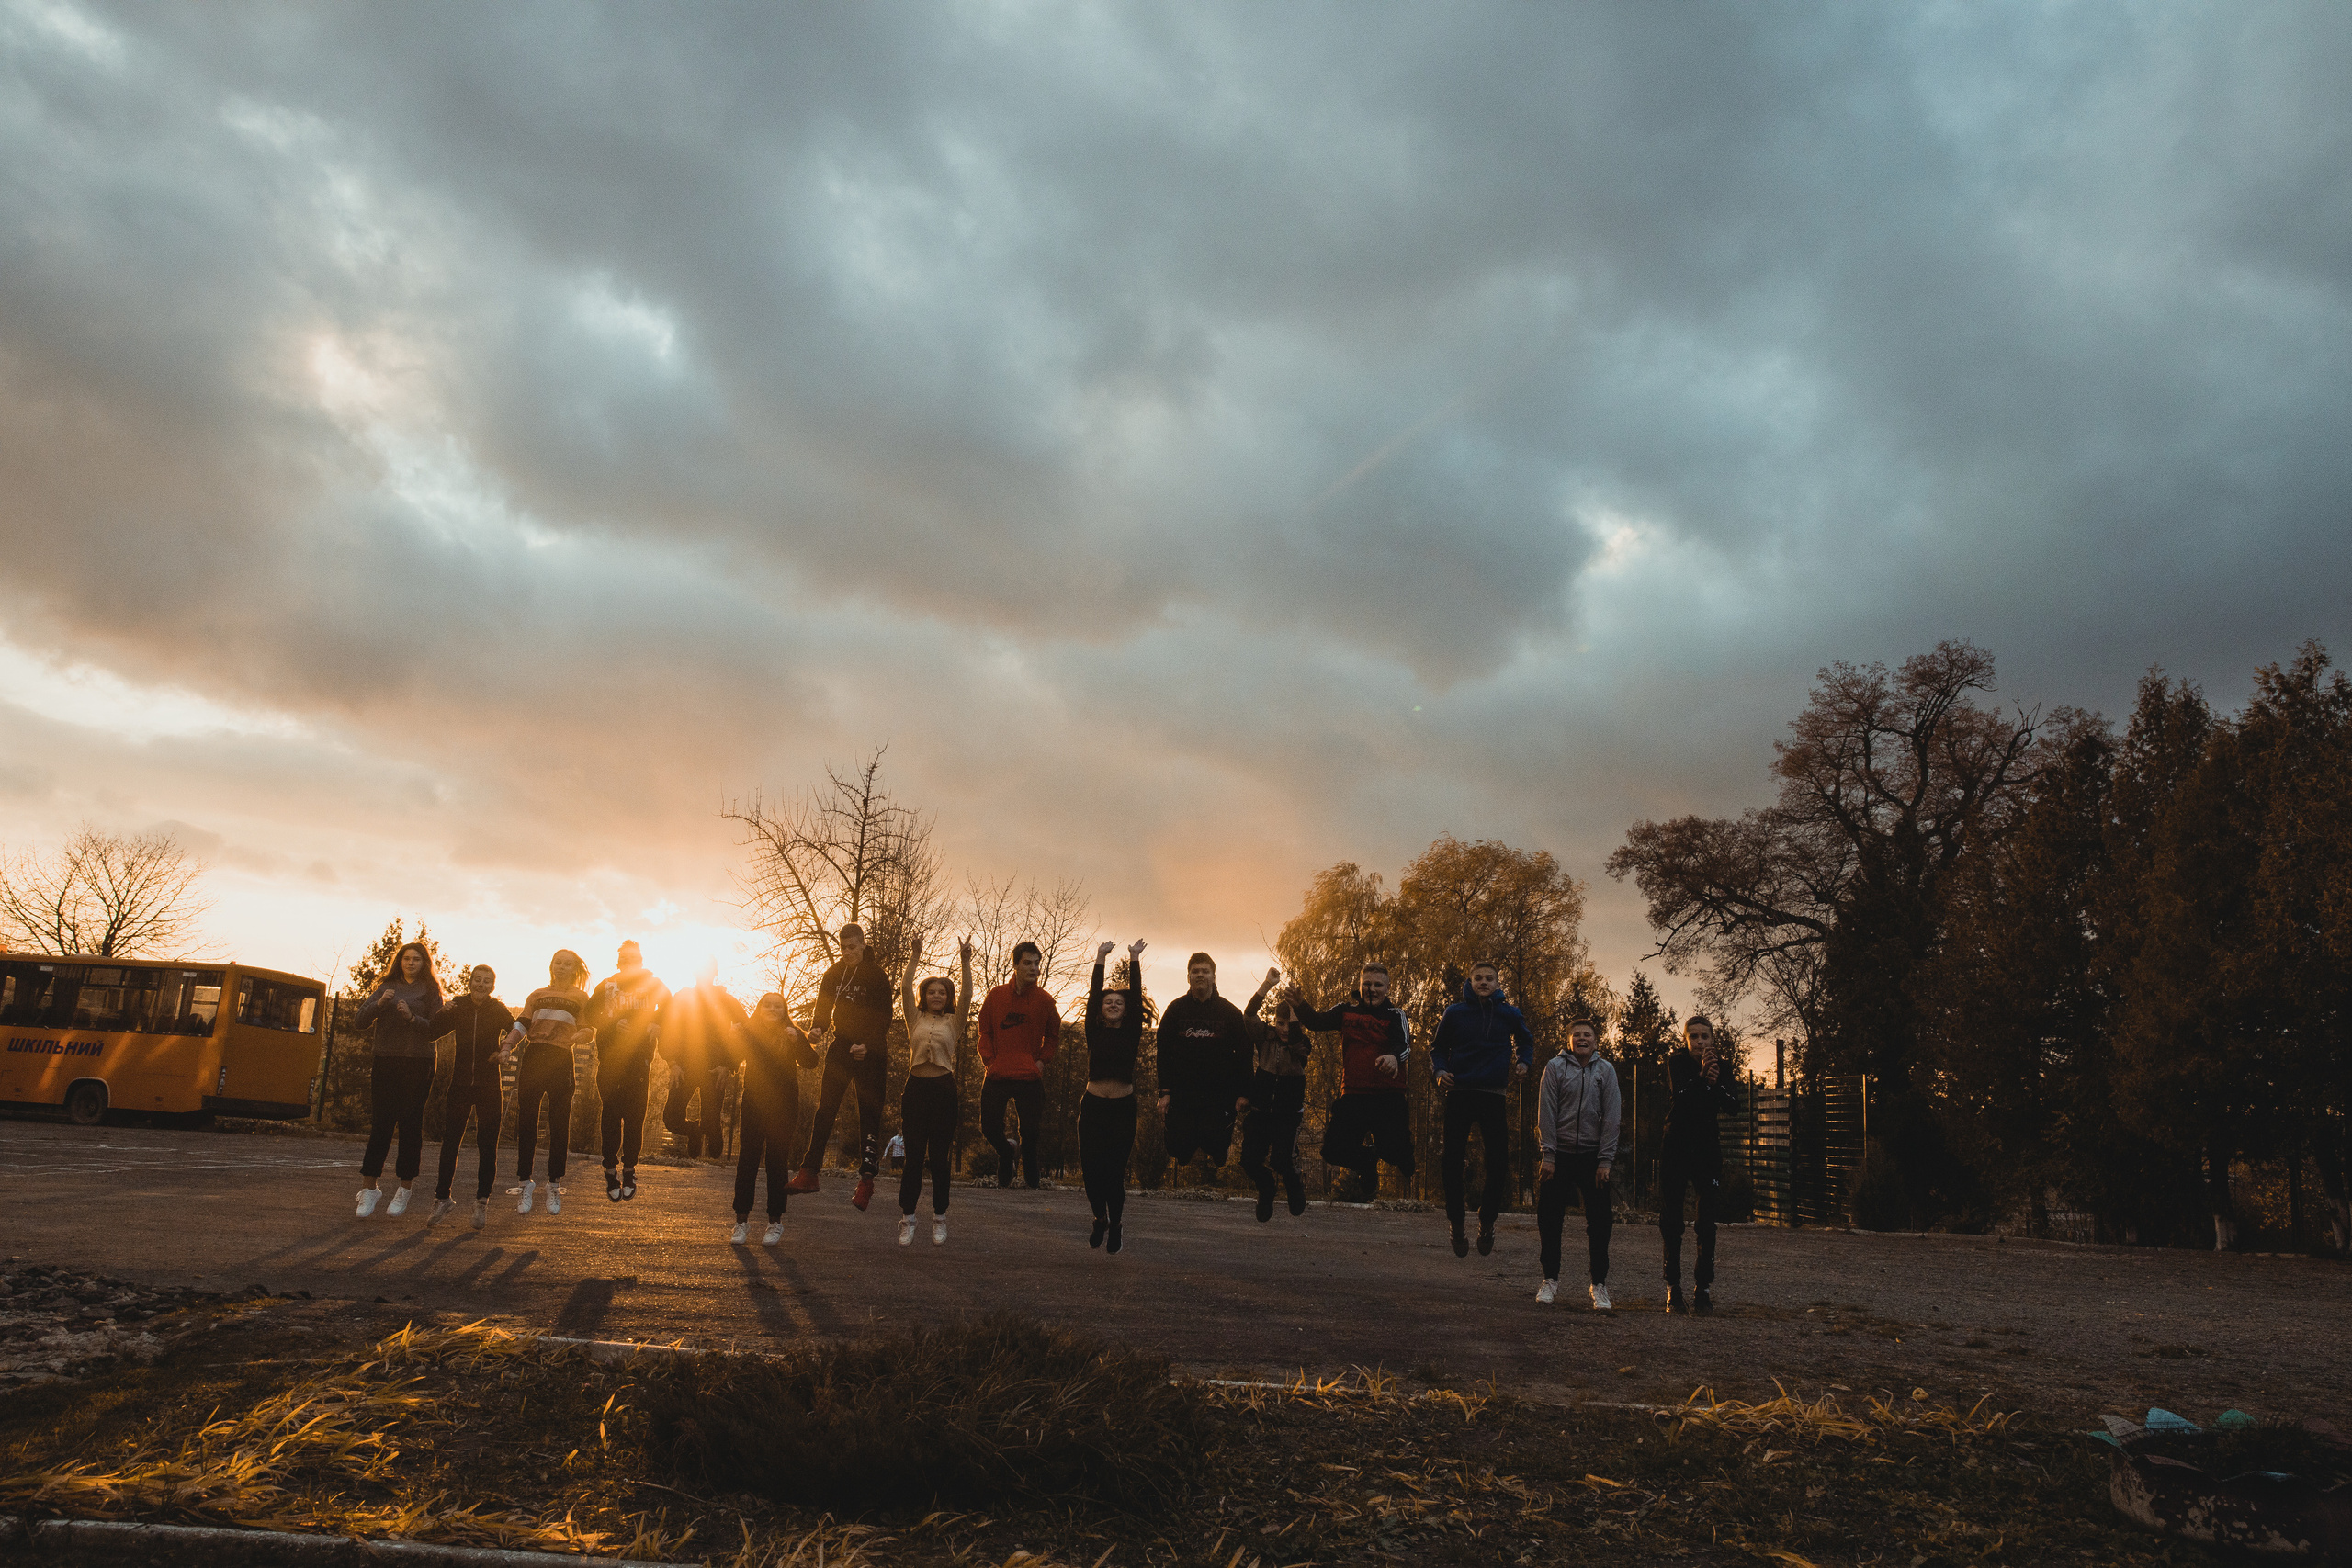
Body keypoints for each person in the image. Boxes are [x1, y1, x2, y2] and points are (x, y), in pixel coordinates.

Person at [1430, 961, 1533, 1258]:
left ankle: (1486, 1222)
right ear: (1470, 981)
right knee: (1451, 1162)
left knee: (1498, 1162)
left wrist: (1524, 1062)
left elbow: (1526, 1040)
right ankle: (1457, 1223)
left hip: (1493, 1094)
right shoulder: (1455, 1013)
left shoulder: (1508, 1013)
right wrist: (1439, 1072)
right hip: (1459, 1093)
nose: (1484, 982)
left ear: (1498, 983)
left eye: (1489, 978)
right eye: (1478, 978)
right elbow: (1437, 1048)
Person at [791, 924, 895, 1210]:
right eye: (843, 948)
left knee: (869, 1114)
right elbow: (823, 1008)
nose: (848, 952)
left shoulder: (877, 975)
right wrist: (817, 1029)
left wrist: (868, 1045)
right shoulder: (834, 973)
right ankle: (809, 1173)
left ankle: (866, 1182)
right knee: (826, 1108)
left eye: (853, 947)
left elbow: (884, 1016)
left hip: (871, 1050)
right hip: (841, 1046)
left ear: (863, 944)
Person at [1292, 964, 1413, 1201]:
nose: (1372, 989)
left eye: (1378, 985)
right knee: (1331, 1150)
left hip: (1388, 1096)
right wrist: (1300, 1005)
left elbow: (1405, 1046)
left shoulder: (1395, 1015)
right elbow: (1316, 1021)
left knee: (1399, 1157)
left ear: (1387, 988)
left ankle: (1397, 1153)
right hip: (1355, 1095)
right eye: (1367, 984)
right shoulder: (1346, 1011)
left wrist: (1393, 1057)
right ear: (1360, 986)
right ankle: (1366, 1161)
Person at [1155, 954, 1273, 1184]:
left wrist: (1243, 1093)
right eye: (1195, 971)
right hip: (1183, 1094)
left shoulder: (1229, 1013)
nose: (1200, 974)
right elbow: (1163, 1053)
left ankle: (1219, 1148)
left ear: (1214, 976)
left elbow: (1244, 1055)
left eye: (1205, 971)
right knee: (1177, 1148)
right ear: (1188, 977)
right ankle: (1187, 1145)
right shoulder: (1175, 1010)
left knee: (1215, 1144)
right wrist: (1165, 1092)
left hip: (1219, 1096)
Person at [353, 942, 445, 1218]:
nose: (410, 963)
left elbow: (437, 1030)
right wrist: (379, 1005)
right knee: (381, 1124)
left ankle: (404, 1189)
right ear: (399, 961)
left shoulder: (430, 991)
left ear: (424, 963)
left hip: (419, 1062)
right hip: (386, 1060)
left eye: (416, 959)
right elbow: (359, 1021)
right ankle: (370, 1189)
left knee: (409, 1124)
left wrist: (411, 1018)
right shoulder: (385, 987)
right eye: (406, 959)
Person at [1659, 1014, 1742, 1314]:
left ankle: (1703, 1289)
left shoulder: (1723, 1066)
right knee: (1672, 1219)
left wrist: (1715, 1081)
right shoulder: (1676, 1062)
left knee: (1706, 1221)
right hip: (1677, 1145)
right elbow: (1678, 1097)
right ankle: (1673, 1288)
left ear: (1712, 1039)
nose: (1699, 1042)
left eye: (1704, 1036)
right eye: (1693, 1037)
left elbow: (1734, 1105)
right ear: (1685, 1040)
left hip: (1707, 1148)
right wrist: (1700, 1078)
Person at [1535, 1018, 1621, 1309]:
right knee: (1549, 1218)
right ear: (1569, 1040)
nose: (1582, 1038)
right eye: (1576, 1035)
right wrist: (1548, 1154)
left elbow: (1612, 1117)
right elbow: (1546, 1111)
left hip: (1592, 1157)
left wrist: (1605, 1160)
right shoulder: (1555, 1068)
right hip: (1558, 1157)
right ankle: (1550, 1280)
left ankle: (1599, 1285)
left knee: (1600, 1223)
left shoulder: (1605, 1071)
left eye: (1587, 1034)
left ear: (1596, 1041)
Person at [897, 933, 972, 1245]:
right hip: (915, 1089)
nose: (937, 995)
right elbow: (903, 987)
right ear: (924, 995)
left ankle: (940, 1217)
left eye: (942, 992)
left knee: (939, 1158)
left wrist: (966, 960)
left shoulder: (955, 1022)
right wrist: (915, 954)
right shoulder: (913, 1018)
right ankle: (908, 1218)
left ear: (947, 996)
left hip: (943, 1090)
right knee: (913, 1157)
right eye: (931, 991)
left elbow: (968, 993)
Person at [426, 965, 512, 1229]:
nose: (481, 985)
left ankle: (481, 1202)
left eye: (487, 981)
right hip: (460, 1083)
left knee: (487, 1145)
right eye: (478, 980)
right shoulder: (458, 1006)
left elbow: (517, 1030)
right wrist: (442, 1013)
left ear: (493, 986)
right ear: (471, 981)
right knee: (451, 1141)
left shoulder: (498, 1009)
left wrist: (504, 1050)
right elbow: (432, 1033)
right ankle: (442, 1198)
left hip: (488, 1085)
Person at [510, 950, 594, 1215]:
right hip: (534, 1056)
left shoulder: (581, 998)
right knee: (527, 1122)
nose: (562, 967)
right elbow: (522, 1023)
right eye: (558, 962)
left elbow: (590, 1030)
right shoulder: (536, 995)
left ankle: (554, 1184)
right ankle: (525, 1182)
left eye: (567, 964)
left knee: (559, 1123)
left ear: (574, 969)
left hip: (561, 1058)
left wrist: (582, 1035)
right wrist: (507, 1045)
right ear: (551, 966)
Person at [1080, 939, 1150, 1251]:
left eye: (1117, 1002)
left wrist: (1133, 959)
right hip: (1093, 1108)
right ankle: (1100, 1219)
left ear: (1125, 1010)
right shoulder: (1093, 1032)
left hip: (1122, 1109)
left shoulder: (1131, 1030)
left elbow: (1136, 999)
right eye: (1108, 1001)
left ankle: (1117, 1225)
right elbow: (1093, 997)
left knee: (1114, 1174)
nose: (1111, 1004)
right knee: (1092, 1173)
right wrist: (1099, 958)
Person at [586, 941, 669, 1201]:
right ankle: (610, 1171)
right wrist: (612, 1023)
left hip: (640, 1061)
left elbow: (671, 1007)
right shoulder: (607, 985)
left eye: (635, 957)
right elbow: (590, 1014)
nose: (630, 961)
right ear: (619, 962)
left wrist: (656, 1023)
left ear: (641, 961)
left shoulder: (654, 985)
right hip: (611, 1060)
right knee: (610, 1116)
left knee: (635, 1118)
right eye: (625, 958)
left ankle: (630, 1169)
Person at [733, 991, 818, 1245]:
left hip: (784, 1105)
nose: (771, 1009)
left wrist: (799, 1042)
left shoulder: (792, 1033)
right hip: (754, 1103)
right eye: (767, 1005)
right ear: (759, 1009)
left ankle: (775, 1222)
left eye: (777, 1006)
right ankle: (741, 1221)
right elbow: (731, 1057)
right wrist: (733, 1036)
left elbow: (811, 1061)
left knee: (777, 1162)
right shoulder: (749, 1032)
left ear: (784, 1011)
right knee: (747, 1159)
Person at [976, 941, 1061, 1190]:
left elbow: (1053, 1036)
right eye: (1027, 963)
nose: (1033, 968)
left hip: (1029, 1076)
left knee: (1031, 1133)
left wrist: (1043, 1060)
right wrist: (990, 1061)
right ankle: (1006, 1152)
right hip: (997, 1073)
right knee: (989, 1127)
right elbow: (985, 1031)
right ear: (1015, 965)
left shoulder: (1045, 1001)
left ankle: (1032, 1184)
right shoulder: (996, 996)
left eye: (1037, 964)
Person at [1238, 991, 1310, 1223]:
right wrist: (1265, 987)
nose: (1285, 1029)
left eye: (1290, 1024)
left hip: (1287, 1116)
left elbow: (1300, 1050)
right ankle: (1267, 1188)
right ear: (1274, 1022)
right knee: (1249, 1160)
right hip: (1260, 1113)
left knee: (1281, 1160)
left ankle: (1294, 1185)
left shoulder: (1302, 1044)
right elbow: (1248, 1015)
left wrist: (1296, 1016)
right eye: (1280, 1023)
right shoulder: (1266, 1038)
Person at [660, 962, 742, 1161]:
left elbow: (745, 1033)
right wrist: (672, 1062)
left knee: (711, 1121)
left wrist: (730, 1065)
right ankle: (694, 1132)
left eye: (709, 969)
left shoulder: (727, 1000)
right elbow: (667, 1028)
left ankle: (713, 1129)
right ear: (694, 971)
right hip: (685, 1068)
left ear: (715, 972)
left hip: (715, 1069)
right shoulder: (682, 997)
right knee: (671, 1119)